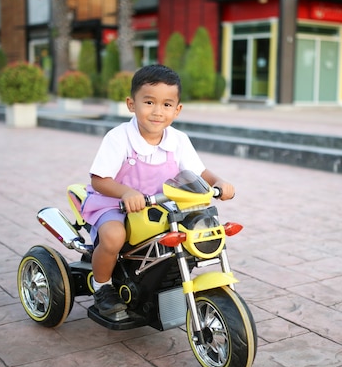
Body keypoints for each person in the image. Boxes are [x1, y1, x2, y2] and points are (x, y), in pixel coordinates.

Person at [81, 64, 235, 316]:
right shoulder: (119, 137)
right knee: (113, 237)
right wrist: (126, 193)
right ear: (132, 104)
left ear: (177, 109)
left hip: (160, 204)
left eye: (166, 104)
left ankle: (161, 278)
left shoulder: (178, 140)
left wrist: (218, 183)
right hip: (114, 201)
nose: (157, 111)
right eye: (149, 102)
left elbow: (199, 172)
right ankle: (101, 285)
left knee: (196, 228)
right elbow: (99, 179)